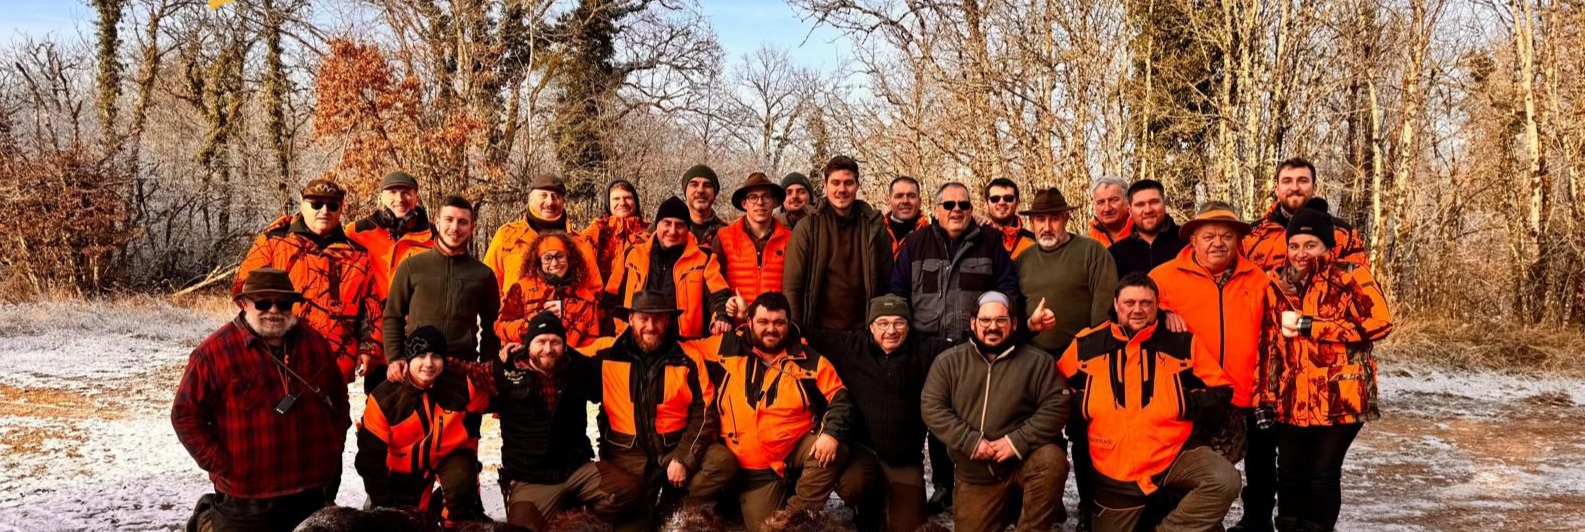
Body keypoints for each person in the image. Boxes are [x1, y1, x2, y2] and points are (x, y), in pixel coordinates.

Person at [1059, 273, 1241, 532]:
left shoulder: (1181, 342)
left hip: (1173, 456)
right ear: (1115, 304)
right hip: (1114, 473)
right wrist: (1085, 404)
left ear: (1158, 306)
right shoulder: (1087, 344)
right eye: (1129, 302)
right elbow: (1054, 388)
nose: (1137, 309)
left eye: (1146, 303)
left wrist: (1181, 402)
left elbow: (1222, 390)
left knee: (1224, 480)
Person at [174, 268, 351, 532]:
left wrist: (332, 446)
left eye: (283, 303)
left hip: (310, 490)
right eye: (264, 303)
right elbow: (185, 415)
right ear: (244, 303)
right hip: (248, 495)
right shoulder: (214, 353)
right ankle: (207, 518)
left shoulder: (315, 343)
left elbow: (338, 399)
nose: (274, 310)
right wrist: (223, 465)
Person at [1259, 199, 1391, 532]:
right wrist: (1265, 396)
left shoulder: (1349, 275)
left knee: (1322, 474)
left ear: (1326, 245)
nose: (1301, 252)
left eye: (1310, 244)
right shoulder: (1277, 284)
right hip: (1291, 395)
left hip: (1340, 395)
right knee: (1288, 474)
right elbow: (1270, 344)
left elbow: (1381, 322)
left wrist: (1311, 325)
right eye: (1294, 245)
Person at [1150, 201, 1274, 530]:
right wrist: (1162, 314)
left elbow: (1273, 336)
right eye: (1208, 236)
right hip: (1184, 397)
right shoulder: (1162, 278)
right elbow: (1131, 318)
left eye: (1226, 236)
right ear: (1193, 240)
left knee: (1220, 471)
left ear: (1238, 241)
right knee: (1181, 472)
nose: (1217, 243)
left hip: (1237, 397)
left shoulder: (1258, 280)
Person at [702, 293, 853, 532]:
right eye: (763, 322)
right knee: (759, 523)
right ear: (750, 322)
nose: (771, 329)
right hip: (751, 467)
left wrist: (831, 434)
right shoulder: (727, 347)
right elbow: (685, 350)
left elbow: (840, 398)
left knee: (832, 450)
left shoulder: (808, 360)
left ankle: (794, 516)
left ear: (789, 323)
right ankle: (736, 502)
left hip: (792, 451)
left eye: (778, 323)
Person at [587, 291, 737, 531]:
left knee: (722, 462)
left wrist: (684, 458)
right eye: (643, 319)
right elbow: (560, 359)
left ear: (668, 320)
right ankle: (646, 511)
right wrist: (514, 356)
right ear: (631, 319)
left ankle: (673, 507)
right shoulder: (606, 352)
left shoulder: (688, 357)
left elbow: (705, 411)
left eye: (658, 319)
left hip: (674, 447)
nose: (651, 326)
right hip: (628, 456)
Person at [921, 292, 1069, 532]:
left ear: (1014, 323)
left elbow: (1057, 405)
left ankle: (1034, 523)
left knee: (1051, 459)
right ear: (973, 323)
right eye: (985, 320)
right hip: (976, 474)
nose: (993, 327)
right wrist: (970, 441)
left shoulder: (1037, 362)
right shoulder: (949, 362)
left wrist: (1016, 441)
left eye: (1001, 320)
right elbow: (932, 406)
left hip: (1023, 462)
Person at [494, 312, 641, 529]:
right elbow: (468, 380)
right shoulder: (506, 373)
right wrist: (499, 362)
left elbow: (612, 355)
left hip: (575, 468)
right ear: (528, 345)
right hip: (531, 477)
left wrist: (638, 328)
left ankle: (580, 521)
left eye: (555, 342)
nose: (548, 348)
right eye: (541, 342)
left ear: (564, 345)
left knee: (628, 490)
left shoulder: (577, 367)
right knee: (522, 529)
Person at [235, 178, 379, 382]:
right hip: (280, 364)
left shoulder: (357, 255)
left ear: (341, 207)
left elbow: (369, 306)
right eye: (316, 204)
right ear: (302, 202)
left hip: (334, 368)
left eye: (332, 205)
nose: (324, 211)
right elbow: (242, 291)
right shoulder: (273, 243)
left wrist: (368, 347)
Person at [356, 326, 494, 524]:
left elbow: (492, 399)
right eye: (420, 356)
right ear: (408, 359)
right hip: (403, 468)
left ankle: (454, 521)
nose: (428, 363)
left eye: (436, 356)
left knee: (461, 482)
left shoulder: (461, 386)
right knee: (403, 519)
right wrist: (384, 506)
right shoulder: (384, 398)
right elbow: (369, 460)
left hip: (447, 457)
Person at [830, 295, 945, 532]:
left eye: (898, 323)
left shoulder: (925, 350)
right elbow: (806, 334)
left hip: (904, 459)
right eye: (882, 323)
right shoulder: (851, 347)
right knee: (854, 486)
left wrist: (1027, 328)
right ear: (871, 326)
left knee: (910, 526)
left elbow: (977, 343)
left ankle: (891, 497)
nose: (891, 330)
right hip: (864, 454)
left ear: (909, 326)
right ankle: (865, 507)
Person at [783, 155, 893, 353]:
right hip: (818, 334)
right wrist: (796, 332)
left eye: (848, 183)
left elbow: (886, 282)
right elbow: (792, 286)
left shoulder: (874, 227)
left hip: (864, 334)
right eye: (835, 183)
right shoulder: (808, 227)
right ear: (824, 185)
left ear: (857, 185)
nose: (842, 189)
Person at [890, 182, 1020, 344]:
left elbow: (1008, 292)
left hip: (975, 347)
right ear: (936, 211)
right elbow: (898, 295)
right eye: (949, 205)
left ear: (971, 211)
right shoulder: (914, 244)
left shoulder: (990, 242)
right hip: (923, 347)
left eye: (963, 205)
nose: (957, 209)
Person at [383, 196, 501, 372]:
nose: (454, 228)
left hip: (463, 368)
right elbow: (393, 315)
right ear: (437, 223)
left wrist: (487, 365)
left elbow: (492, 326)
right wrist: (395, 358)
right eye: (449, 220)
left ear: (472, 228)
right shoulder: (411, 267)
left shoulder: (483, 275)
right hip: (418, 366)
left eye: (462, 222)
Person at [346, 171, 436, 392]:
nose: (400, 198)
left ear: (416, 197)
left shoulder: (433, 236)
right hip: (376, 338)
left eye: (406, 192)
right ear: (381, 197)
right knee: (379, 404)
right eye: (392, 192)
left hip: (418, 333)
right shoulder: (357, 232)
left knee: (421, 404)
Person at [606, 196, 733, 338]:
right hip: (636, 341)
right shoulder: (632, 254)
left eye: (679, 225)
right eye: (667, 223)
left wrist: (720, 318)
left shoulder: (704, 258)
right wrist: (619, 332)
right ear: (657, 224)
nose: (672, 231)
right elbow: (610, 299)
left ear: (688, 229)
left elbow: (718, 296)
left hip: (684, 346)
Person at [1018, 188, 1118, 353]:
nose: (1047, 227)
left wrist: (1093, 349)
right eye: (1040, 219)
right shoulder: (1023, 259)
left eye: (1054, 218)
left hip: (1082, 355)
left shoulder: (1092, 252)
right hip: (1034, 358)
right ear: (1031, 222)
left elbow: (1105, 310)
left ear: (1066, 218)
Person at [485, 174, 603, 295]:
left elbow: (594, 290)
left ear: (563, 202)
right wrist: (507, 310)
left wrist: (569, 306)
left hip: (566, 313)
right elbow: (487, 284)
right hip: (518, 313)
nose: (550, 202)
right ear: (530, 199)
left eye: (555, 196)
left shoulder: (579, 241)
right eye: (543, 195)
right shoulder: (507, 235)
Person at [1243, 158, 1368, 271]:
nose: (1295, 187)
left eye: (1302, 181)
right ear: (1276, 189)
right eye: (1287, 181)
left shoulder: (1343, 235)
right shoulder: (1250, 236)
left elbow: (1362, 285)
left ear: (1315, 188)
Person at [497, 232, 603, 348]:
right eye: (547, 258)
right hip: (528, 362)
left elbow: (591, 344)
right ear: (538, 260)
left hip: (570, 364)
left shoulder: (585, 299)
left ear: (569, 258)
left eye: (560, 256)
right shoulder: (521, 289)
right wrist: (532, 322)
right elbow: (500, 328)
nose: (554, 263)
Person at [711, 172, 791, 307]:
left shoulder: (790, 239)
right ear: (744, 203)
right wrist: (724, 309)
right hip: (736, 324)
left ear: (775, 202)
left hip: (773, 324)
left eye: (766, 197)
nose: (760, 202)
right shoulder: (724, 237)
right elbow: (712, 280)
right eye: (753, 197)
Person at [1109, 179, 1185, 277]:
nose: (1148, 210)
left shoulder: (1187, 242)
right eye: (1140, 205)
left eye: (1154, 202)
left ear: (1164, 204)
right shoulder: (1116, 254)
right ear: (1130, 210)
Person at [582, 179, 650, 285]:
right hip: (602, 297)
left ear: (635, 201)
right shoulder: (596, 230)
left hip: (637, 298)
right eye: (616, 198)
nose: (622, 203)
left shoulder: (649, 232)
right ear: (608, 203)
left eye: (627, 198)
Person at [981, 177, 1035, 258]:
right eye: (995, 199)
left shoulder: (1033, 242)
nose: (1001, 202)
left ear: (1017, 202)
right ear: (986, 204)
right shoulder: (976, 239)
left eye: (1008, 198)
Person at [680, 164, 730, 252]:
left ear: (715, 193)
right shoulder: (668, 229)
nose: (700, 190)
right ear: (685, 191)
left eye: (707, 185)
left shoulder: (728, 234)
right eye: (694, 184)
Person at [884, 176, 928, 255]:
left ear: (920, 202)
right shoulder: (876, 233)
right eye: (899, 196)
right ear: (889, 202)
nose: (905, 201)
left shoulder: (931, 236)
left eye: (911, 196)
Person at [1087, 178, 1134, 247]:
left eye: (1113, 200)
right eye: (1101, 202)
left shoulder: (1144, 233)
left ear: (1128, 202)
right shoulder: (1087, 241)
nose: (1107, 209)